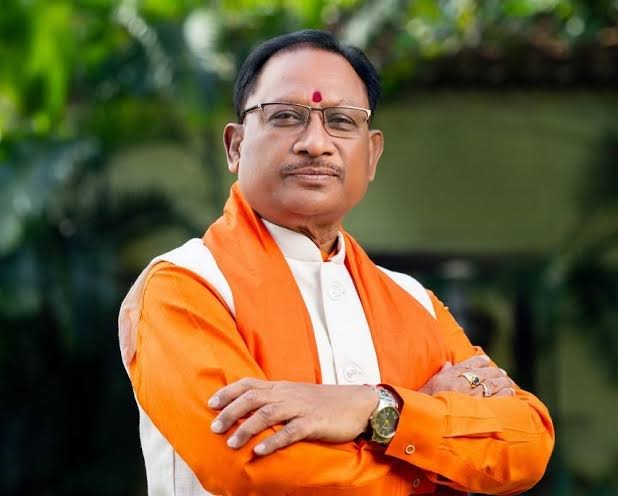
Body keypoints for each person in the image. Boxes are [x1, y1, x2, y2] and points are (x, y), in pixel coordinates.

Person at [118, 30, 554, 496]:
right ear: (235, 146)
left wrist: (375, 407)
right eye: (286, 116)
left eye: (341, 121)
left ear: (372, 154)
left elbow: (525, 443)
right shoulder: (186, 287)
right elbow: (256, 471)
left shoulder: (412, 301)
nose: (315, 143)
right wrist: (425, 439)